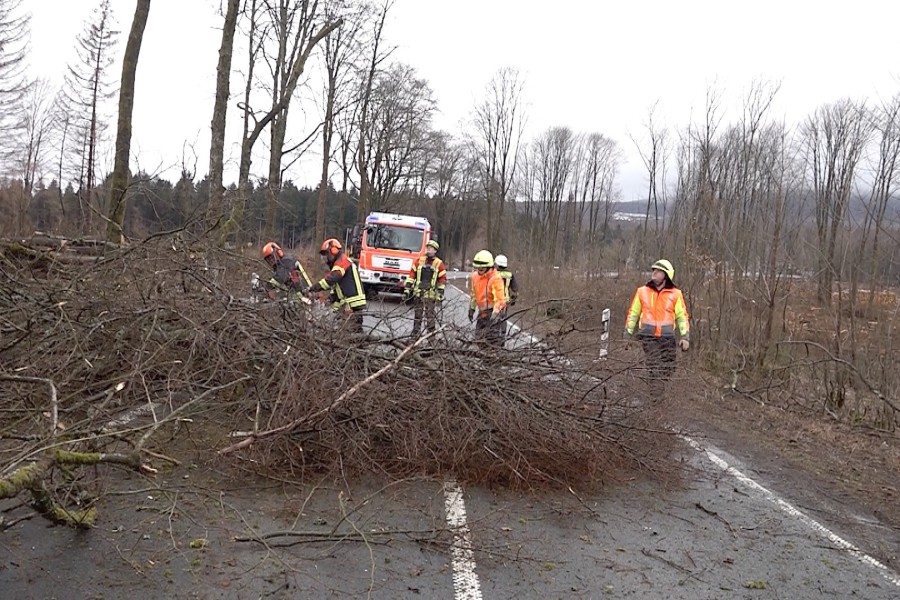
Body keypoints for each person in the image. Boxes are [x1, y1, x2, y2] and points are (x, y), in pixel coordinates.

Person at [624, 259, 691, 380]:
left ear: (666, 275)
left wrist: (685, 337)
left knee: (668, 369)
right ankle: (655, 396)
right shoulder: (642, 291)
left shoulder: (676, 294)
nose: (654, 273)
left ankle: (661, 394)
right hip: (648, 337)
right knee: (654, 367)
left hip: (667, 338)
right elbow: (633, 314)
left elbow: (682, 317)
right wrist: (627, 335)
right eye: (654, 270)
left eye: (658, 271)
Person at [308, 238, 367, 333]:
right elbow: (337, 288)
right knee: (349, 330)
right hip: (349, 301)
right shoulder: (339, 263)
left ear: (333, 250)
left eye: (326, 254)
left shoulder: (342, 261)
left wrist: (315, 287)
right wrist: (330, 299)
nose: (325, 258)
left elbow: (332, 278)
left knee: (350, 332)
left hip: (351, 303)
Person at [403, 239, 447, 337]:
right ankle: (415, 335)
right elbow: (412, 275)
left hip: (430, 295)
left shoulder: (439, 263)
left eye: (431, 248)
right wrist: (407, 289)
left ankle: (431, 337)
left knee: (430, 317)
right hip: (418, 293)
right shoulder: (419, 261)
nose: (429, 250)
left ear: (435, 251)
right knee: (417, 316)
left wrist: (440, 293)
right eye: (428, 248)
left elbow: (442, 279)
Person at [468, 250, 508, 347]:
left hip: (493, 312)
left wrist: (495, 315)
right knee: (479, 338)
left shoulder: (495, 278)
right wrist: (472, 308)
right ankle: (484, 357)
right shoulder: (474, 277)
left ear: (489, 265)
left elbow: (499, 300)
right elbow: (474, 294)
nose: (480, 268)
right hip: (482, 313)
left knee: (492, 340)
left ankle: (493, 357)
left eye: (482, 266)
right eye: (478, 266)